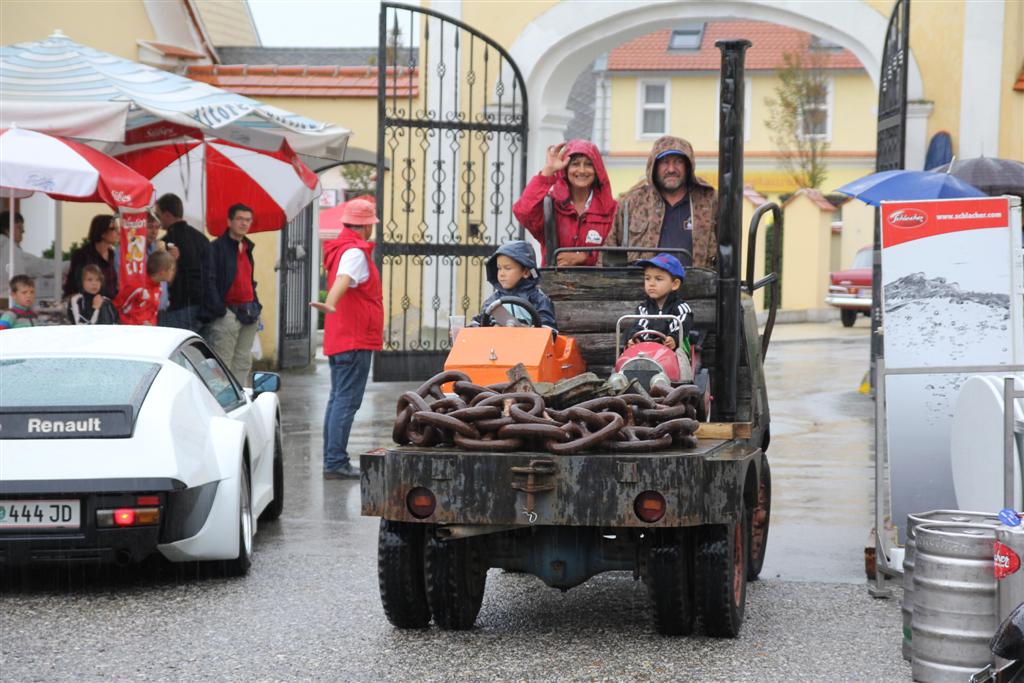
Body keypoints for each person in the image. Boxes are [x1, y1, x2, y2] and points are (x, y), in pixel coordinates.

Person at [310, 198, 383, 480]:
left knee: (337, 399)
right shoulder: (354, 252)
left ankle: (333, 459)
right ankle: (335, 462)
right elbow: (344, 279)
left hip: (342, 336)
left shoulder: (341, 248)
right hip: (355, 338)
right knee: (347, 401)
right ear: (366, 226)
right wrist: (331, 302)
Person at [602, 136, 718, 268]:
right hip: (642, 287)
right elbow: (609, 254)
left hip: (696, 286)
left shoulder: (709, 201)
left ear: (688, 166)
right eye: (665, 162)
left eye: (678, 162)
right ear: (654, 166)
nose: (671, 169)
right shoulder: (632, 202)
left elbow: (727, 252)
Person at [512, 140, 617, 266]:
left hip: (599, 285)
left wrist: (584, 257)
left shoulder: (612, 210)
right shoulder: (550, 207)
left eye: (589, 165)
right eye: (575, 164)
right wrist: (548, 171)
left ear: (597, 170)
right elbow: (524, 211)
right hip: (554, 284)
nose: (582, 170)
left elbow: (617, 254)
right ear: (565, 169)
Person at [206, 204, 262, 384]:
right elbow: (209, 280)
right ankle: (221, 403)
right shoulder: (216, 248)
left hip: (249, 312)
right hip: (227, 313)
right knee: (222, 364)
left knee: (243, 362)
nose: (244, 223)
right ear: (229, 221)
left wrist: (257, 305)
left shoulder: (247, 247)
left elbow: (249, 279)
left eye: (248, 220)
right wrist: (220, 310)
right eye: (240, 219)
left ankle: (239, 402)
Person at [621, 253, 694, 380]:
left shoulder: (681, 308)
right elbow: (640, 324)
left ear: (675, 284)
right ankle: (623, 378)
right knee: (629, 345)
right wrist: (635, 337)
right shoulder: (643, 308)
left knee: (679, 355)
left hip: (671, 352)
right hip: (649, 352)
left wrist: (674, 338)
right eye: (647, 278)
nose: (651, 284)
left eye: (658, 279)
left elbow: (682, 324)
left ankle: (683, 383)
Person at [154, 193, 213, 332]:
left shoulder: (167, 241)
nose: (157, 219)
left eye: (158, 214)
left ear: (167, 215)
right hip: (203, 305)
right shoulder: (201, 238)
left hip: (179, 305)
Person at [471, 240, 556, 329]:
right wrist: (476, 326)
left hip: (527, 342)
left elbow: (550, 332)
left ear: (526, 272)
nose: (501, 273)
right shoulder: (495, 299)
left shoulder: (539, 300)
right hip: (496, 342)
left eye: (507, 268)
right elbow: (479, 321)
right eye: (499, 268)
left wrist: (526, 329)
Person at [0, 211, 65, 299]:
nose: (23, 231)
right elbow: (43, 266)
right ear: (7, 230)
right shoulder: (11, 250)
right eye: (19, 227)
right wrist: (71, 264)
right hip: (8, 300)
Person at [115, 250, 177, 327]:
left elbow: (153, 313)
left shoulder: (158, 288)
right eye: (171, 269)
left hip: (147, 333)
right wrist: (137, 325)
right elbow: (117, 307)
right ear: (162, 272)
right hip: (130, 333)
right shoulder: (136, 286)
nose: (173, 272)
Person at [64, 214, 119, 299]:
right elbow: (74, 284)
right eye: (113, 229)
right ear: (103, 233)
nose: (118, 232)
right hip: (86, 305)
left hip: (108, 305)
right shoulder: (83, 255)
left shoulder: (112, 254)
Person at [146, 212, 172, 314]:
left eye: (157, 228)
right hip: (143, 310)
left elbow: (167, 278)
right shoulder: (133, 250)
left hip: (160, 308)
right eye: (150, 227)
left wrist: (170, 260)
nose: (154, 232)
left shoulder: (156, 247)